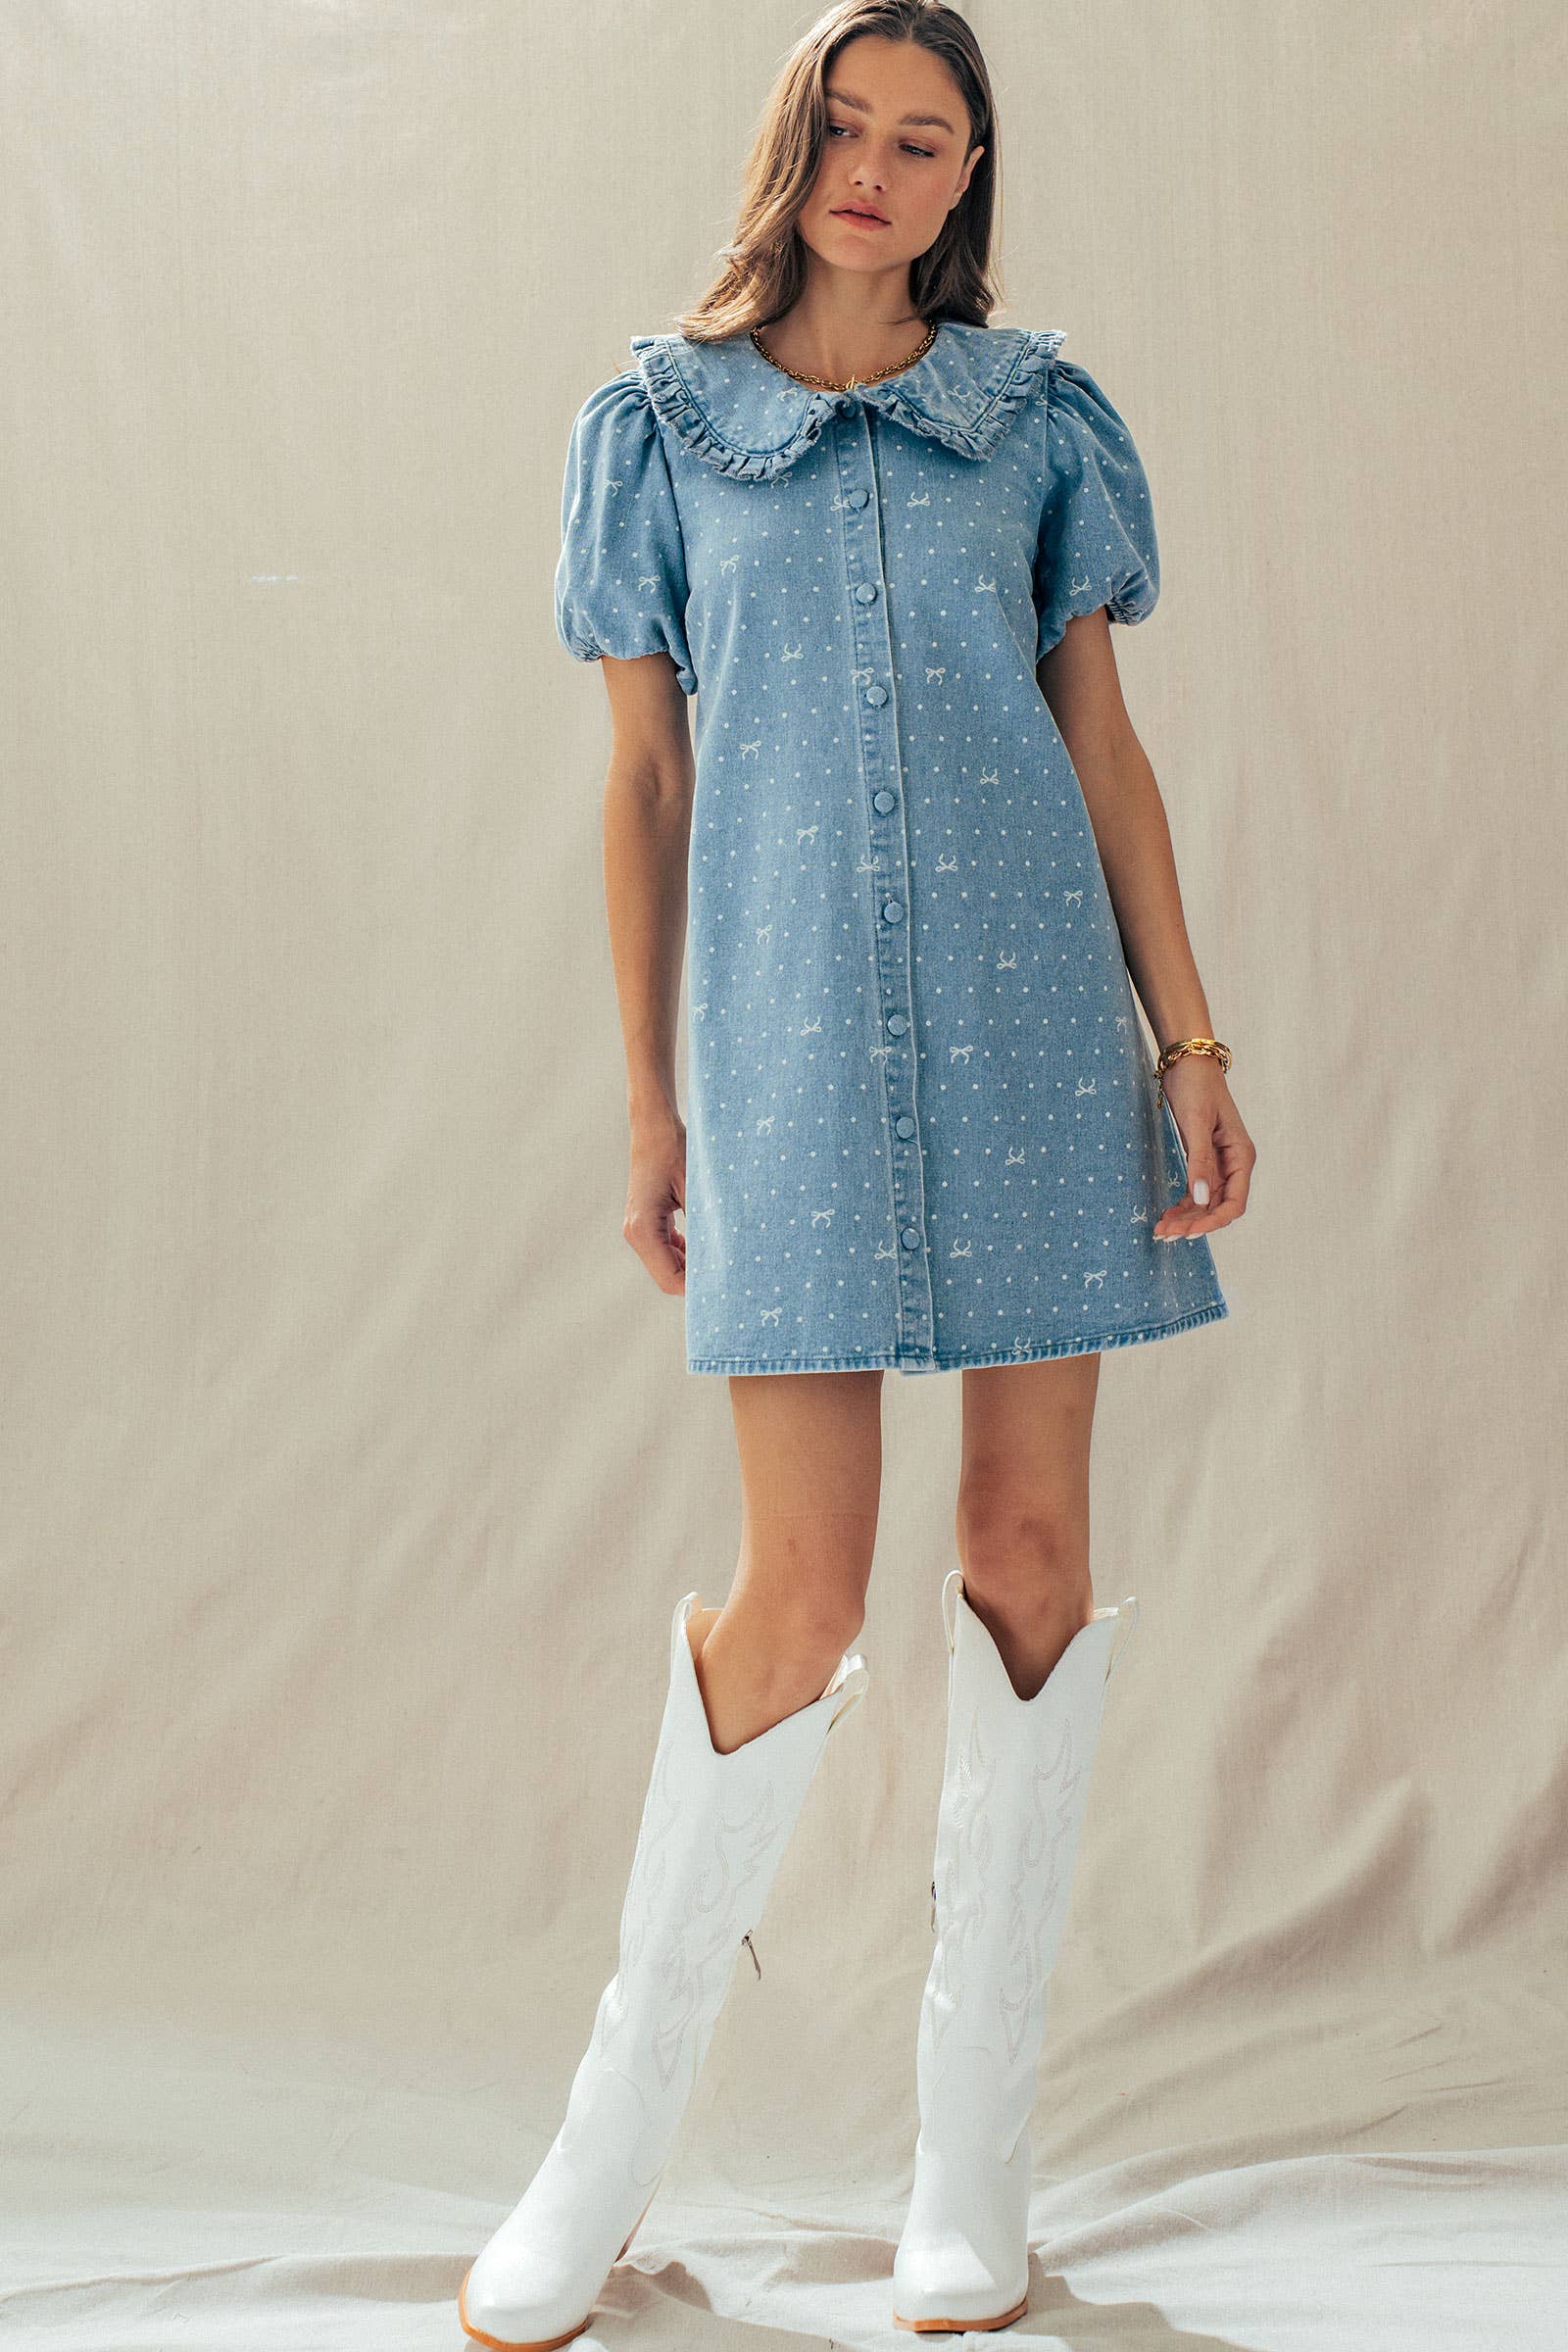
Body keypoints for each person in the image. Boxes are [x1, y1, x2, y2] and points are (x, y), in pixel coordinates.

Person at [460, 2, 1256, 2342]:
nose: (876, 170)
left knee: (1026, 1553)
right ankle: (600, 2157)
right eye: (845, 124)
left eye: (924, 140)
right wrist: (648, 1100)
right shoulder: (658, 429)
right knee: (788, 1597)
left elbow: (1099, 745)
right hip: (785, 1048)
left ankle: (968, 2163)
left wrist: (1189, 1038)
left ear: (964, 176)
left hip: (1035, 1035)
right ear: (790, 138)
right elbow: (644, 786)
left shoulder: (1034, 418)